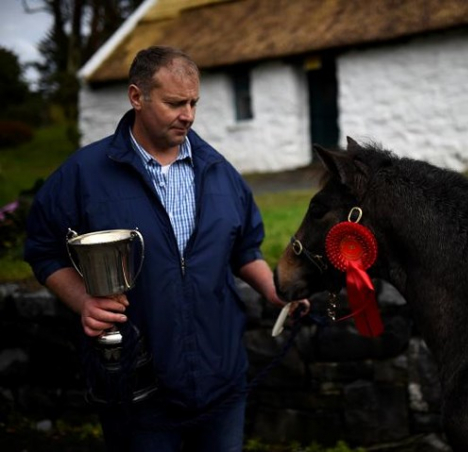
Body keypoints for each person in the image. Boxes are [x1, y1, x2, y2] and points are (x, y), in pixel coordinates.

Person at [24, 45, 307, 451]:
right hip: (137, 391)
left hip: (221, 381)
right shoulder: (83, 174)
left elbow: (245, 248)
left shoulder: (220, 171)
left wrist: (275, 291)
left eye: (194, 102)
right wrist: (83, 300)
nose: (188, 115)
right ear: (136, 97)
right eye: (175, 103)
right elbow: (42, 248)